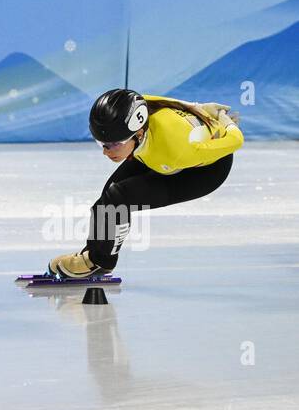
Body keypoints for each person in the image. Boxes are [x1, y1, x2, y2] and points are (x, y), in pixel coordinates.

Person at [48, 89, 243, 279]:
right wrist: (197, 107)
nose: (106, 152)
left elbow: (236, 141)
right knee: (107, 198)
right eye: (102, 144)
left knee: (119, 198)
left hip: (206, 169)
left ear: (139, 133)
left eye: (114, 144)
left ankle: (100, 262)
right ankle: (92, 255)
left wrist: (226, 123)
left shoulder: (177, 149)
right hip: (155, 150)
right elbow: (156, 100)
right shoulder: (137, 113)